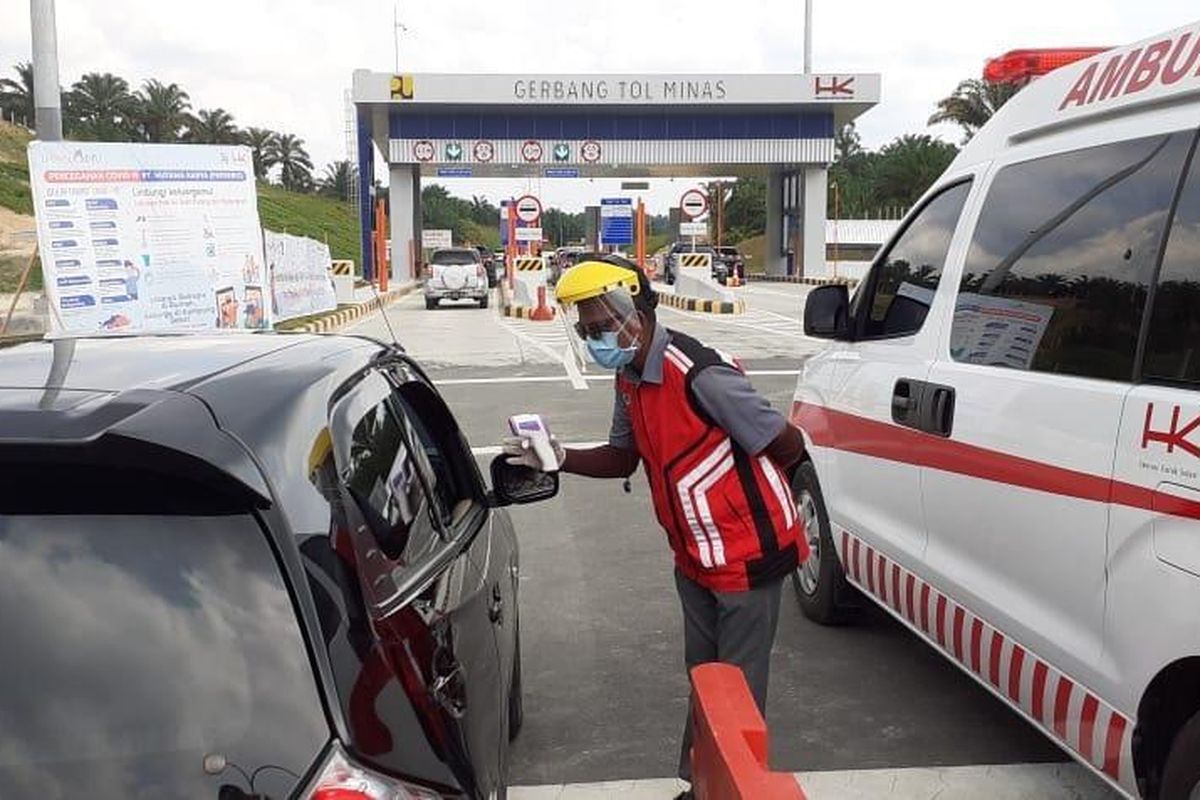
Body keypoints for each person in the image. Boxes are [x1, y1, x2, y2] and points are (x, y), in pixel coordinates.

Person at [502, 256, 809, 799]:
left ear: (636, 309)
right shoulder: (628, 378)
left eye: (602, 324)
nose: (595, 336)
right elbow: (623, 458)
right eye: (586, 328)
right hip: (694, 556)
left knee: (736, 691)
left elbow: (786, 444)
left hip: (746, 555)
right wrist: (558, 456)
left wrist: (749, 507)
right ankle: (700, 786)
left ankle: (727, 791)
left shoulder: (698, 372)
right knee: (705, 678)